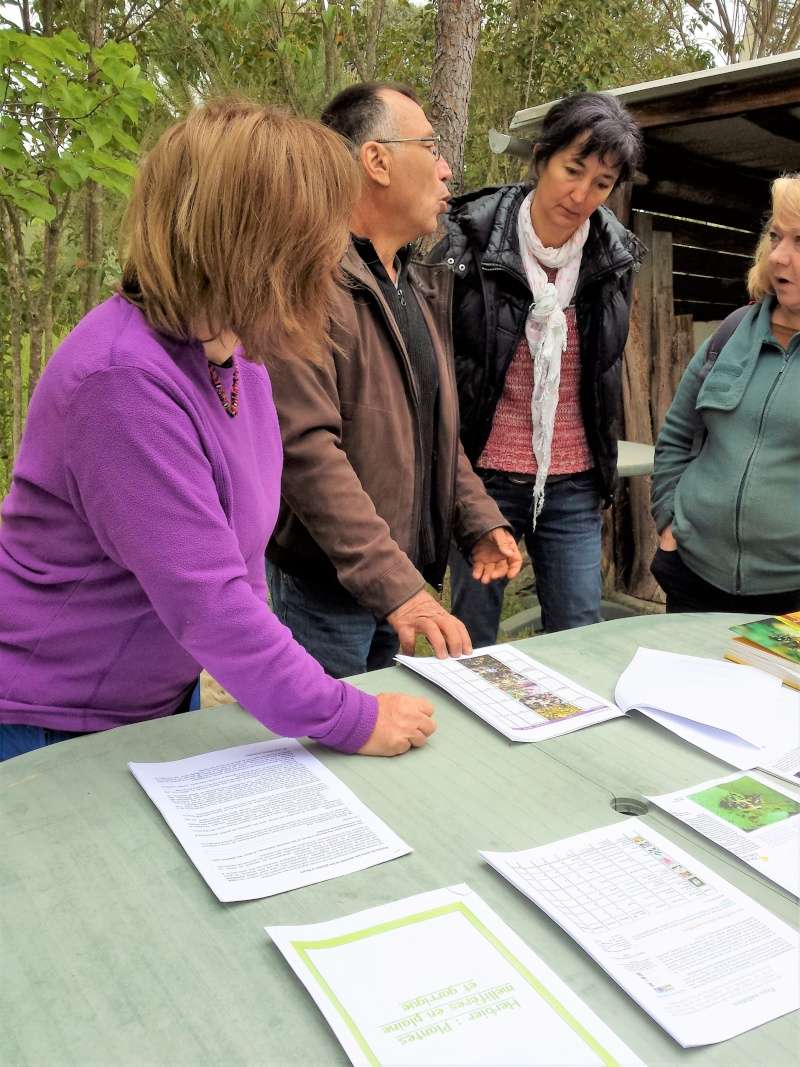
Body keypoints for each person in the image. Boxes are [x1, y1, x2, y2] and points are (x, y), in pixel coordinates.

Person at [0, 99, 436, 762]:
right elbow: (210, 604)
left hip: (155, 698)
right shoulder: (122, 381)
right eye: (314, 230)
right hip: (50, 716)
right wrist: (349, 714)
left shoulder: (240, 355)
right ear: (253, 243)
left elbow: (241, 575)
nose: (331, 250)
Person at [266, 83, 521, 679]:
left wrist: (479, 520)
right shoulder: (307, 281)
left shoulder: (413, 283)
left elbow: (435, 429)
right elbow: (304, 452)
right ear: (376, 160)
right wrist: (396, 587)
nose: (446, 169)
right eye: (430, 148)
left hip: (398, 588)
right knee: (328, 753)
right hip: (329, 592)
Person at [432, 92, 644, 646]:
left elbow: (601, 376)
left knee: (578, 634)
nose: (580, 195)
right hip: (484, 478)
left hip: (571, 480)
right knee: (471, 638)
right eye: (572, 170)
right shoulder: (470, 239)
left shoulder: (614, 256)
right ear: (542, 158)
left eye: (601, 184)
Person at [651, 173, 800, 614]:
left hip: (788, 601)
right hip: (693, 578)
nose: (780, 257)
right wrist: (669, 523)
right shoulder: (734, 331)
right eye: (775, 237)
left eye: (799, 241)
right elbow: (677, 435)